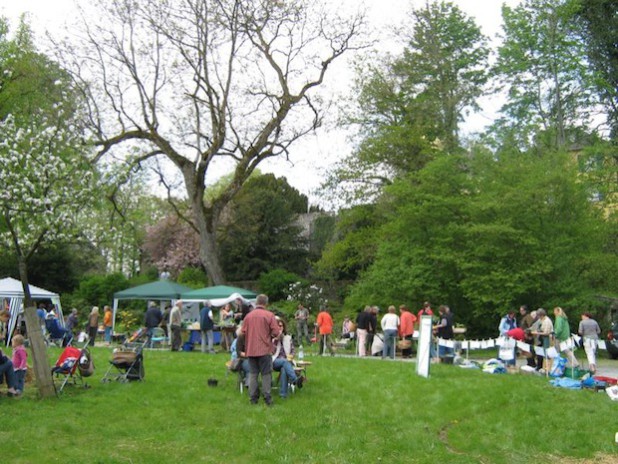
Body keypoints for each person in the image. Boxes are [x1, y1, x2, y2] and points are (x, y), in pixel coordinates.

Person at [241, 294, 280, 406]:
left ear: (256, 302)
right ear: (266, 303)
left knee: (253, 373)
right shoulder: (269, 315)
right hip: (264, 349)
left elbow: (242, 333)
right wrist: (270, 336)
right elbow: (276, 332)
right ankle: (267, 397)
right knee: (266, 374)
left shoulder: (248, 316)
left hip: (251, 349)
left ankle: (253, 398)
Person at [271, 318, 303, 399]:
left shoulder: (288, 338)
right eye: (277, 326)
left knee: (284, 369)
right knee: (285, 362)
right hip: (274, 361)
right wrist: (276, 339)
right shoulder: (271, 338)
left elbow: (293, 351)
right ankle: (295, 379)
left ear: (283, 327)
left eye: (281, 326)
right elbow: (271, 352)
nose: (279, 327)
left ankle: (283, 395)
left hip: (286, 362)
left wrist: (291, 356)